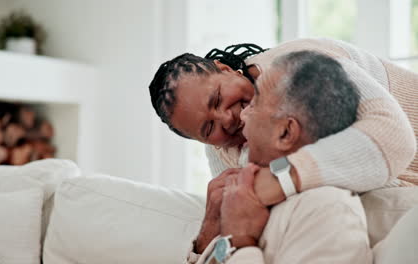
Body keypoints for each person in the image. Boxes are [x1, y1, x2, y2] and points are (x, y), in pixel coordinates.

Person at [148, 38, 417, 253]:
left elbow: (394, 139)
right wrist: (208, 232)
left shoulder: (302, 63)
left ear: (226, 69)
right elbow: (245, 224)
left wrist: (276, 181)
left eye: (217, 98)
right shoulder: (224, 151)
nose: (228, 119)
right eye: (208, 128)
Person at [187, 50, 373, 263]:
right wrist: (209, 230)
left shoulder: (329, 211)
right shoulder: (242, 197)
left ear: (285, 133)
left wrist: (240, 241)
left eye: (255, 103)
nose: (241, 115)